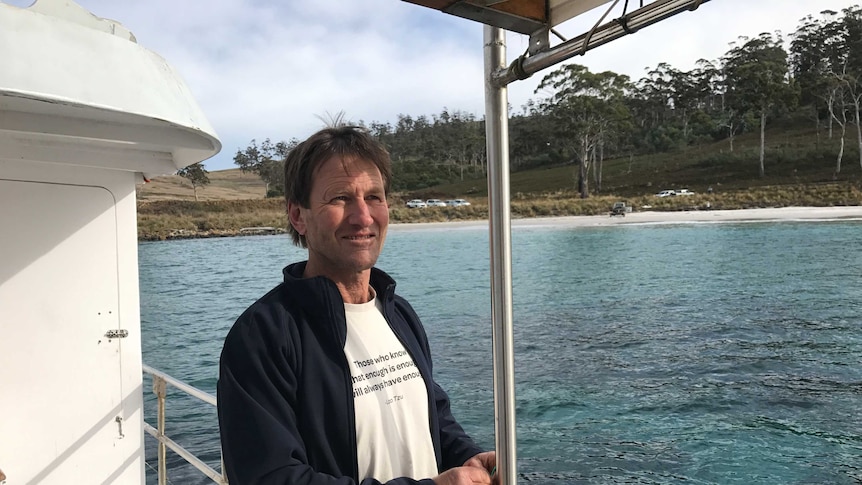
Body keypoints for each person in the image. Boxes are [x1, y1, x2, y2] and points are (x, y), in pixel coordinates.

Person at [217, 125, 496, 485]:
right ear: (298, 216)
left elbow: (431, 413)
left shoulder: (399, 314)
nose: (363, 217)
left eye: (374, 197)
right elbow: (272, 477)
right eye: (340, 198)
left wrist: (465, 455)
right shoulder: (264, 335)